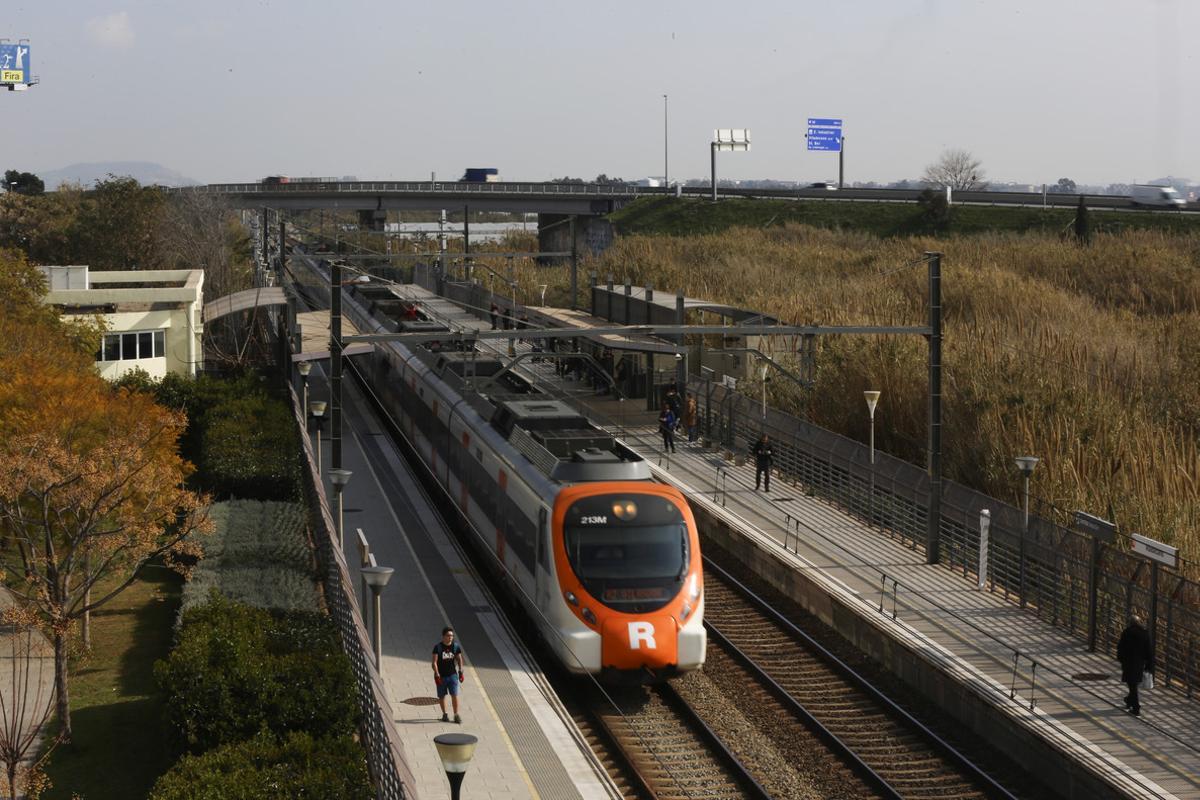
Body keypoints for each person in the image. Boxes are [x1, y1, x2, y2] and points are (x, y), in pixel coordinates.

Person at [1117, 615, 1154, 716]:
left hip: (1128, 663)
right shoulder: (1145, 634)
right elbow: (1149, 651)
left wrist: (1120, 659)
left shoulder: (1126, 632)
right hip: (1140, 663)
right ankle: (1129, 700)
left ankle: (1136, 707)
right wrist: (1149, 665)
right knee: (1133, 684)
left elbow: (1121, 647)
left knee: (1132, 685)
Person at [432, 626, 465, 723]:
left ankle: (456, 715)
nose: (450, 637)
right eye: (448, 635)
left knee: (454, 695)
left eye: (452, 636)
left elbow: (460, 659)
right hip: (441, 676)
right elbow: (434, 662)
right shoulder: (437, 648)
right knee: (441, 696)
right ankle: (445, 714)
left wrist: (461, 671)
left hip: (452, 676)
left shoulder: (455, 647)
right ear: (443, 636)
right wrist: (437, 674)